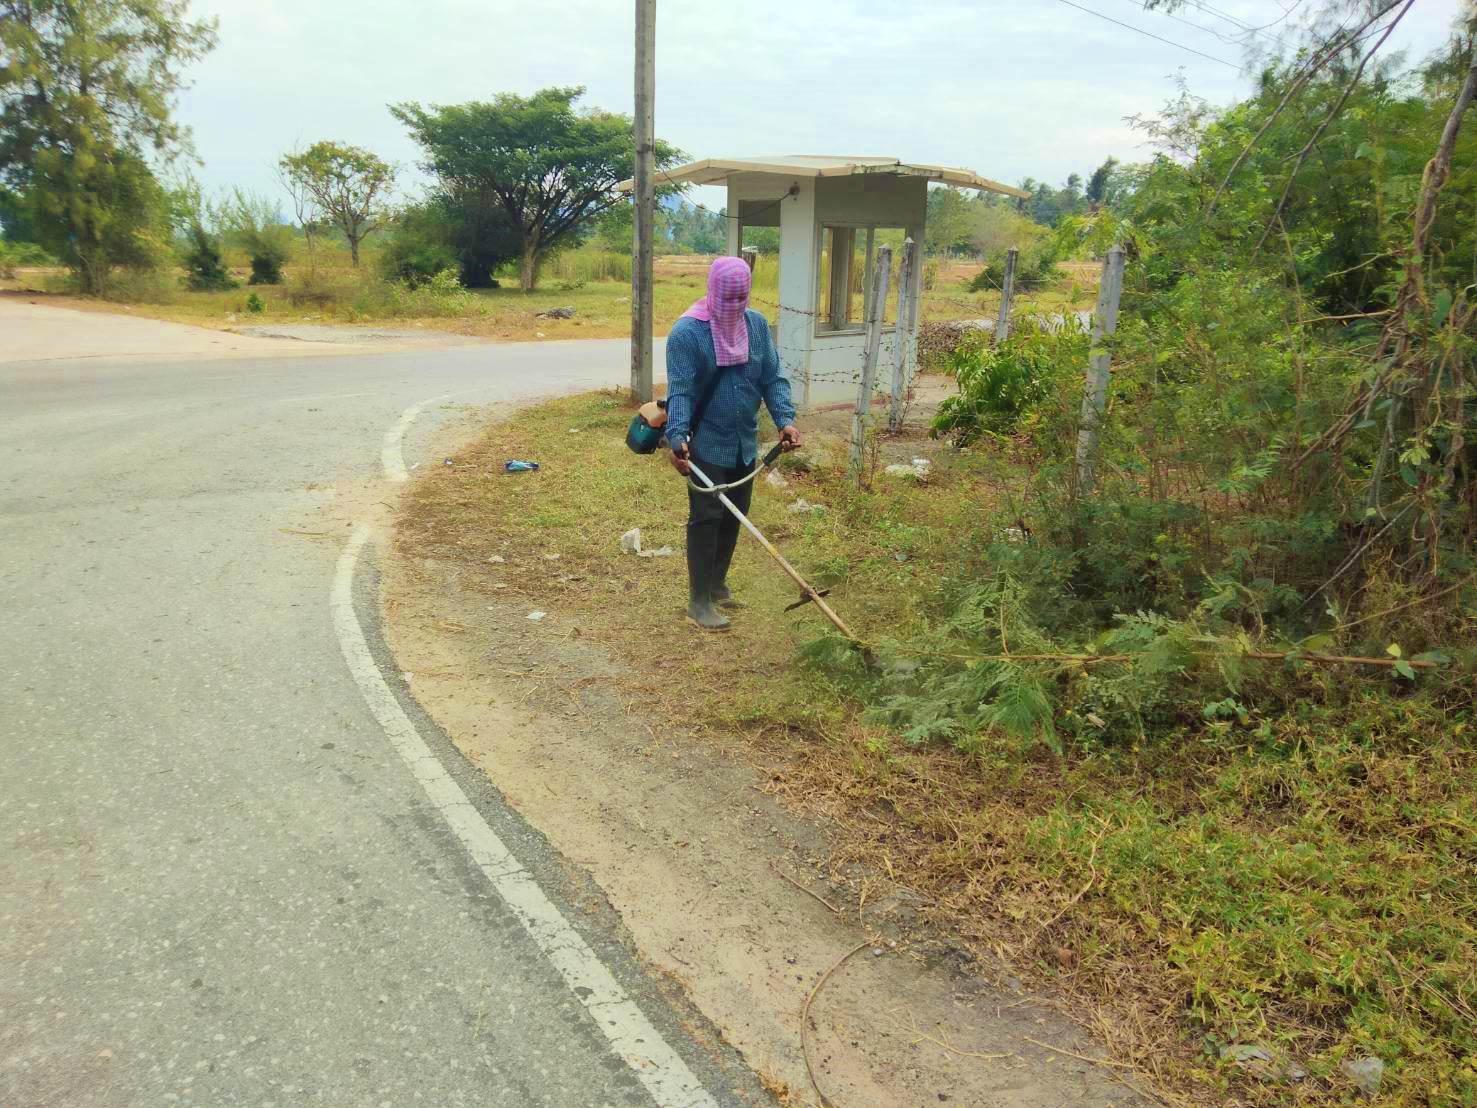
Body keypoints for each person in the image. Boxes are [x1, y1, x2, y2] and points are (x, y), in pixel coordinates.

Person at [665, 256, 801, 631]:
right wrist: (677, 437)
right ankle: (698, 601)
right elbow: (680, 391)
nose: (734, 307)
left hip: (744, 440)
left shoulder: (756, 326)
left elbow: (773, 378)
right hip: (707, 440)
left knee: (735, 514)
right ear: (712, 291)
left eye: (741, 299)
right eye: (728, 300)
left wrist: (785, 420)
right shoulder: (688, 333)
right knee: (707, 517)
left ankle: (717, 584)